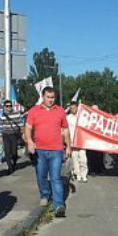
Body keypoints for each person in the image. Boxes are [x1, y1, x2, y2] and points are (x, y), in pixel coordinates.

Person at [25, 87, 71, 217]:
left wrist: (68, 146)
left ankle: (59, 205)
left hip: (56, 150)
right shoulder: (34, 111)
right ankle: (44, 194)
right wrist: (29, 141)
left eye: (52, 98)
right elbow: (28, 128)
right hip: (39, 150)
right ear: (43, 97)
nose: (51, 100)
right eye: (48, 97)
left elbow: (66, 129)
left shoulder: (60, 111)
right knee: (41, 175)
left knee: (56, 177)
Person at [0, 100, 24, 175]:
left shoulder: (16, 114)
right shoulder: (2, 115)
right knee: (7, 153)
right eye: (7, 106)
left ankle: (13, 164)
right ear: (4, 107)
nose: (8, 107)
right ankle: (10, 169)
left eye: (10, 106)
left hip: (14, 135)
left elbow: (21, 124)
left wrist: (23, 134)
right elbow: (0, 126)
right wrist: (0, 137)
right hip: (5, 135)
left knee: (14, 153)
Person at [67, 101, 88, 183]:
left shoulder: (82, 117)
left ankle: (84, 175)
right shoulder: (68, 118)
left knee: (83, 159)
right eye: (71, 108)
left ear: (77, 108)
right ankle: (78, 174)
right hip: (72, 142)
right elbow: (66, 130)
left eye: (74, 108)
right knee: (75, 159)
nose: (73, 109)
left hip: (82, 141)